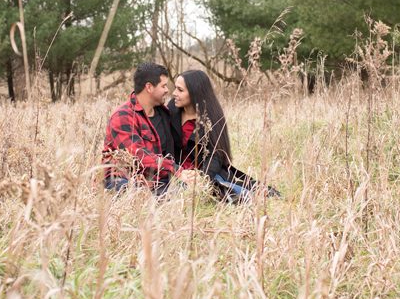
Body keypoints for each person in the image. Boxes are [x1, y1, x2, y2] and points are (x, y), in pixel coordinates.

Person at [168, 69, 280, 203]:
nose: (174, 93)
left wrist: (202, 178)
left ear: (194, 92)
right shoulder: (172, 110)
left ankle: (258, 194)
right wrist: (177, 171)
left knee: (238, 194)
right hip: (178, 172)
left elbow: (217, 155)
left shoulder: (212, 117)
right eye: (175, 88)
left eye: (180, 90)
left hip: (206, 173)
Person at [101, 62, 196, 195]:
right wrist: (176, 170)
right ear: (149, 87)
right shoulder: (123, 116)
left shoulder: (165, 114)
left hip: (157, 180)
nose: (167, 90)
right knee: (133, 193)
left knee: (189, 192)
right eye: (163, 86)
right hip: (124, 179)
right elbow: (138, 156)